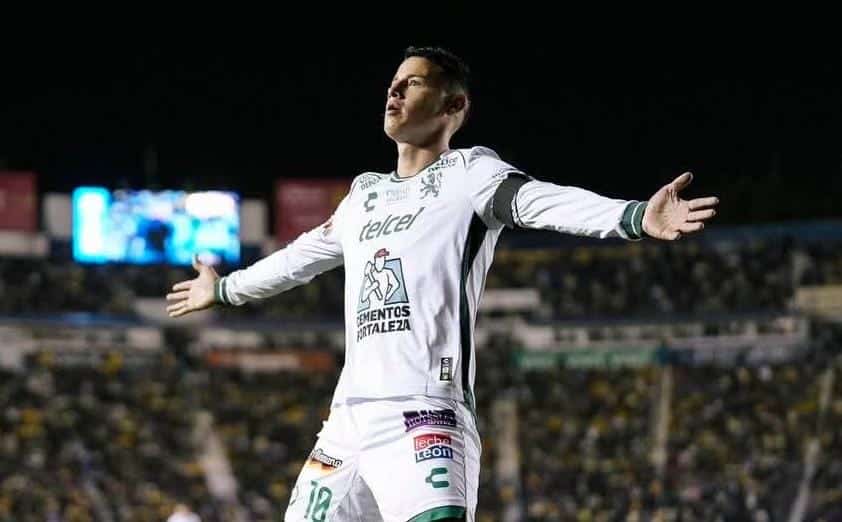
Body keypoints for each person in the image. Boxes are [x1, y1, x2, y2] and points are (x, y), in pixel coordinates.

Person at [165, 46, 719, 521]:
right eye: (392, 84)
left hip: (424, 413)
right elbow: (302, 257)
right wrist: (226, 289)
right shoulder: (364, 196)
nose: (394, 93)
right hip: (346, 423)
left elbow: (539, 201)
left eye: (412, 84)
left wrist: (633, 217)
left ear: (454, 106)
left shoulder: (470, 175)